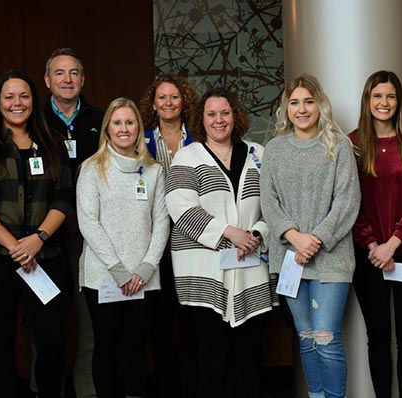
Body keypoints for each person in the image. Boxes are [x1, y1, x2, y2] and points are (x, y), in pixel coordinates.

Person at [0, 70, 72, 397]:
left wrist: (37, 239)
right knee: (1, 339)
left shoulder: (53, 142)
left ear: (34, 101)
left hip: (46, 255)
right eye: (9, 96)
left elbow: (64, 197)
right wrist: (17, 247)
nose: (17, 103)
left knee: (52, 338)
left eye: (23, 96)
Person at [165, 89, 272, 398]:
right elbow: (180, 208)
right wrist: (228, 232)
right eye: (211, 114)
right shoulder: (188, 156)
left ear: (234, 115)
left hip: (250, 269)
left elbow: (273, 205)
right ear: (202, 119)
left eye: (224, 113)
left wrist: (256, 235)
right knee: (210, 360)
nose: (219, 120)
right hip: (204, 274)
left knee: (249, 358)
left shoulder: (257, 154)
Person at [260, 73, 360, 398]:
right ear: (285, 108)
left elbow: (347, 201)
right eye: (294, 102)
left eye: (308, 101)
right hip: (290, 259)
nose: (302, 109)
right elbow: (268, 201)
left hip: (331, 259)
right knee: (305, 337)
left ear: (320, 105)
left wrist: (313, 239)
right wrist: (294, 237)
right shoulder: (274, 149)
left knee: (326, 337)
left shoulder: (339, 145)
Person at [76, 97, 170, 397]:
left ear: (138, 127)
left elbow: (162, 222)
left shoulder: (154, 171)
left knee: (136, 348)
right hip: (104, 276)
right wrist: (118, 270)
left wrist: (145, 268)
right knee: (106, 345)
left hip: (144, 276)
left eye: (129, 122)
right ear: (107, 129)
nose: (124, 128)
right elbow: (88, 223)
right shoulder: (91, 169)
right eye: (117, 123)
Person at [349, 71, 402, 398]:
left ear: (399, 102)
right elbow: (348, 201)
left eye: (391, 97)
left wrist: (393, 244)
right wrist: (373, 244)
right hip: (368, 255)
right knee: (379, 336)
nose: (384, 103)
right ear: (367, 101)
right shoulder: (353, 143)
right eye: (377, 97)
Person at [43, 47, 103, 398]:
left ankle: (87, 391)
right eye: (60, 73)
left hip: (88, 237)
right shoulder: (33, 120)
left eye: (74, 73)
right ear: (48, 80)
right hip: (45, 237)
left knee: (90, 320)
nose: (68, 80)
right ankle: (44, 390)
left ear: (83, 79)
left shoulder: (100, 119)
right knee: (46, 320)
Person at [137, 74, 197, 397]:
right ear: (153, 103)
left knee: (190, 316)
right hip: (155, 241)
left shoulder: (198, 139)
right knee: (160, 320)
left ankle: (191, 385)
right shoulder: (142, 141)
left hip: (193, 239)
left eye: (174, 97)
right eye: (162, 97)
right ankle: (166, 387)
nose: (168, 103)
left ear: (184, 101)